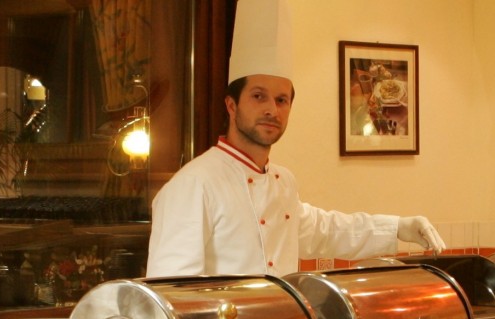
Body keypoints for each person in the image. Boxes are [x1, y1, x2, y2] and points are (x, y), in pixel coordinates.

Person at [145, 0, 445, 277]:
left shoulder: (283, 183)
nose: (271, 110)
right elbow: (169, 294)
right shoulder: (193, 184)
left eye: (281, 100)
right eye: (258, 96)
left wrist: (398, 227)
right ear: (232, 105)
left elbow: (325, 231)